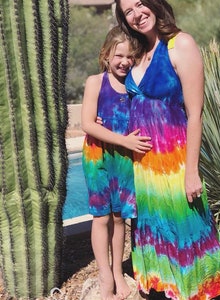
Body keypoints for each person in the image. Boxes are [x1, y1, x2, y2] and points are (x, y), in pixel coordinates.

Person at [114, 1, 220, 299]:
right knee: (158, 234)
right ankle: (168, 289)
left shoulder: (180, 44)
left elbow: (195, 114)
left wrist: (192, 172)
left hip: (175, 164)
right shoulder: (138, 53)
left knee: (188, 233)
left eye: (140, 3)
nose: (136, 14)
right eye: (128, 11)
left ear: (155, 4)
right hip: (144, 167)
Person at [81, 26, 152, 300]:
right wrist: (121, 140)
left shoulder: (135, 85)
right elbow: (88, 123)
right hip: (99, 156)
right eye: (118, 55)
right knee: (101, 217)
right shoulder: (94, 82)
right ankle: (104, 274)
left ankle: (118, 270)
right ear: (106, 55)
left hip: (124, 159)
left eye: (129, 56)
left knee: (120, 217)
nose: (124, 61)